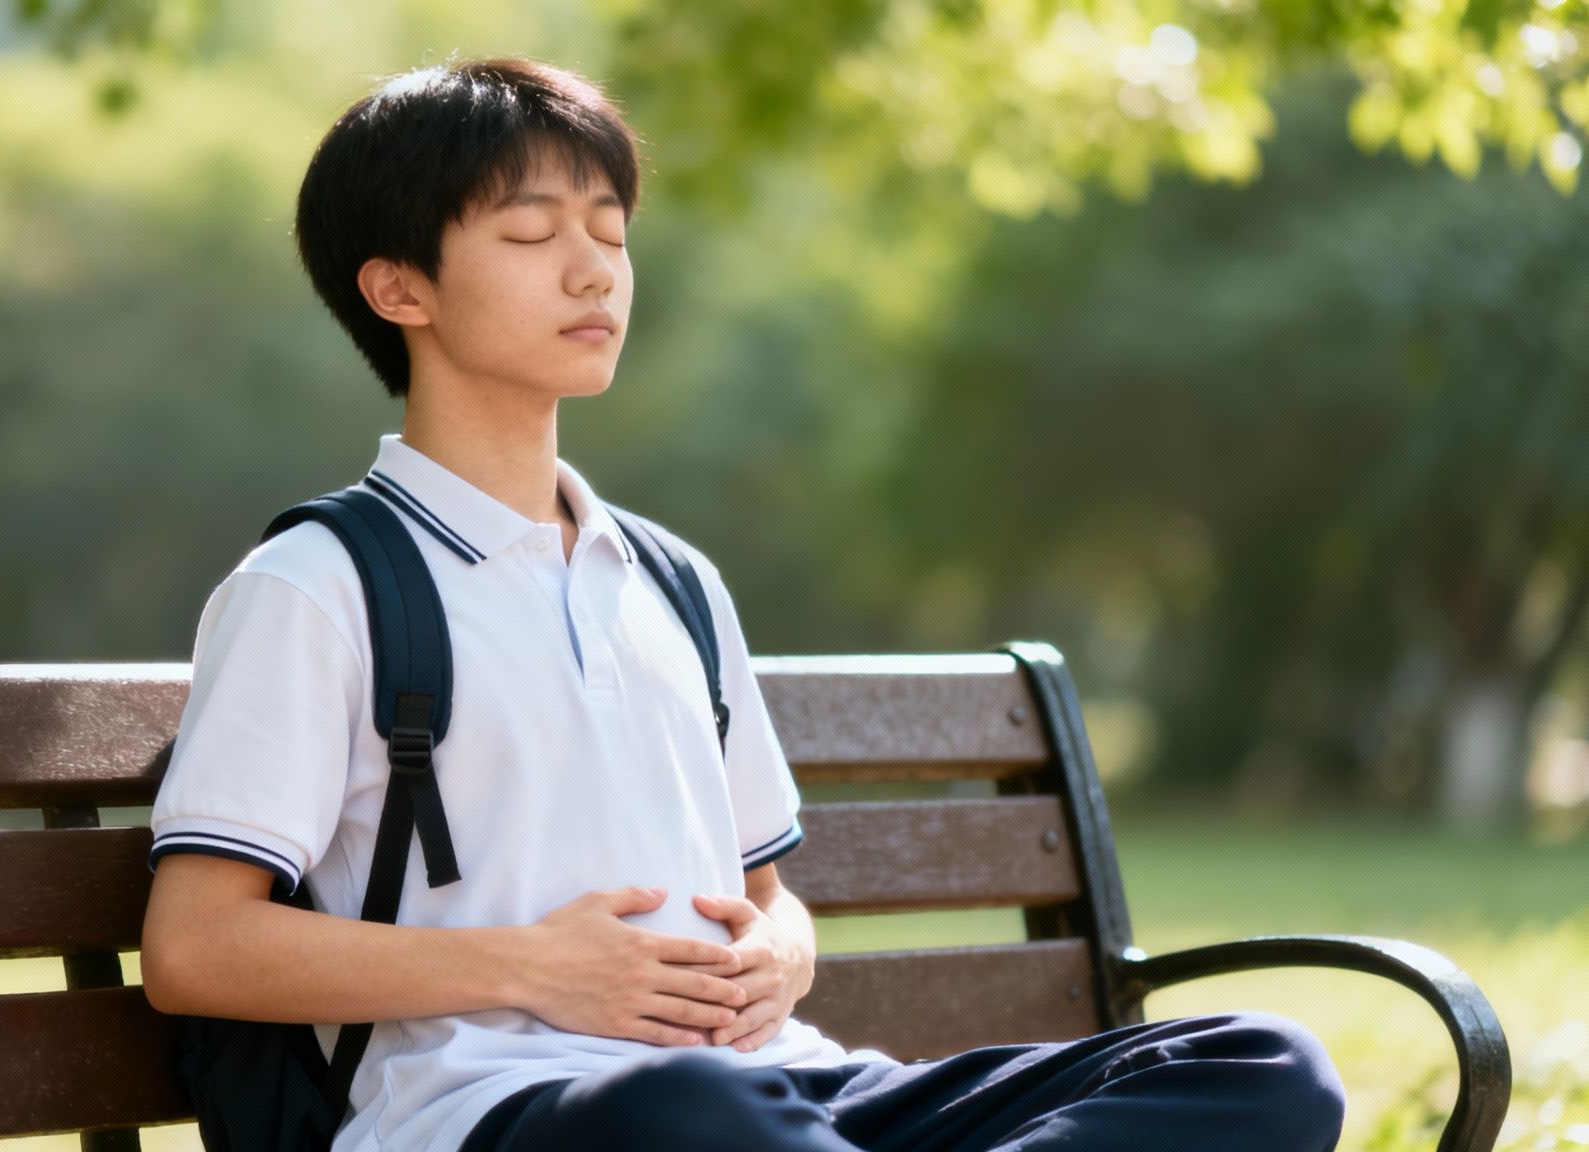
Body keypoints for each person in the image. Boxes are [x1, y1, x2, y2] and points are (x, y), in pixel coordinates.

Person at [138, 54, 1347, 1152]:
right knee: (685, 1112)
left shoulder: (670, 581)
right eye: (530, 233)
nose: (592, 268)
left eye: (610, 232)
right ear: (399, 289)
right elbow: (194, 952)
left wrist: (779, 954)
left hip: (780, 1088)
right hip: (506, 1110)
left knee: (1258, 1065)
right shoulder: (317, 586)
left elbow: (770, 902)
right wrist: (534, 969)